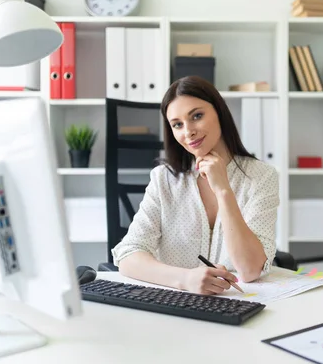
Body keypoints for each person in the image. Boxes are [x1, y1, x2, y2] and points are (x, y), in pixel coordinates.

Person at [111, 75, 280, 295]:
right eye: (177, 124)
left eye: (197, 116)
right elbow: (128, 255)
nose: (188, 131)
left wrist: (223, 189)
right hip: (176, 304)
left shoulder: (261, 177)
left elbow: (249, 270)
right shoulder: (164, 179)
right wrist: (186, 279)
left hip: (238, 303)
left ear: (219, 112)